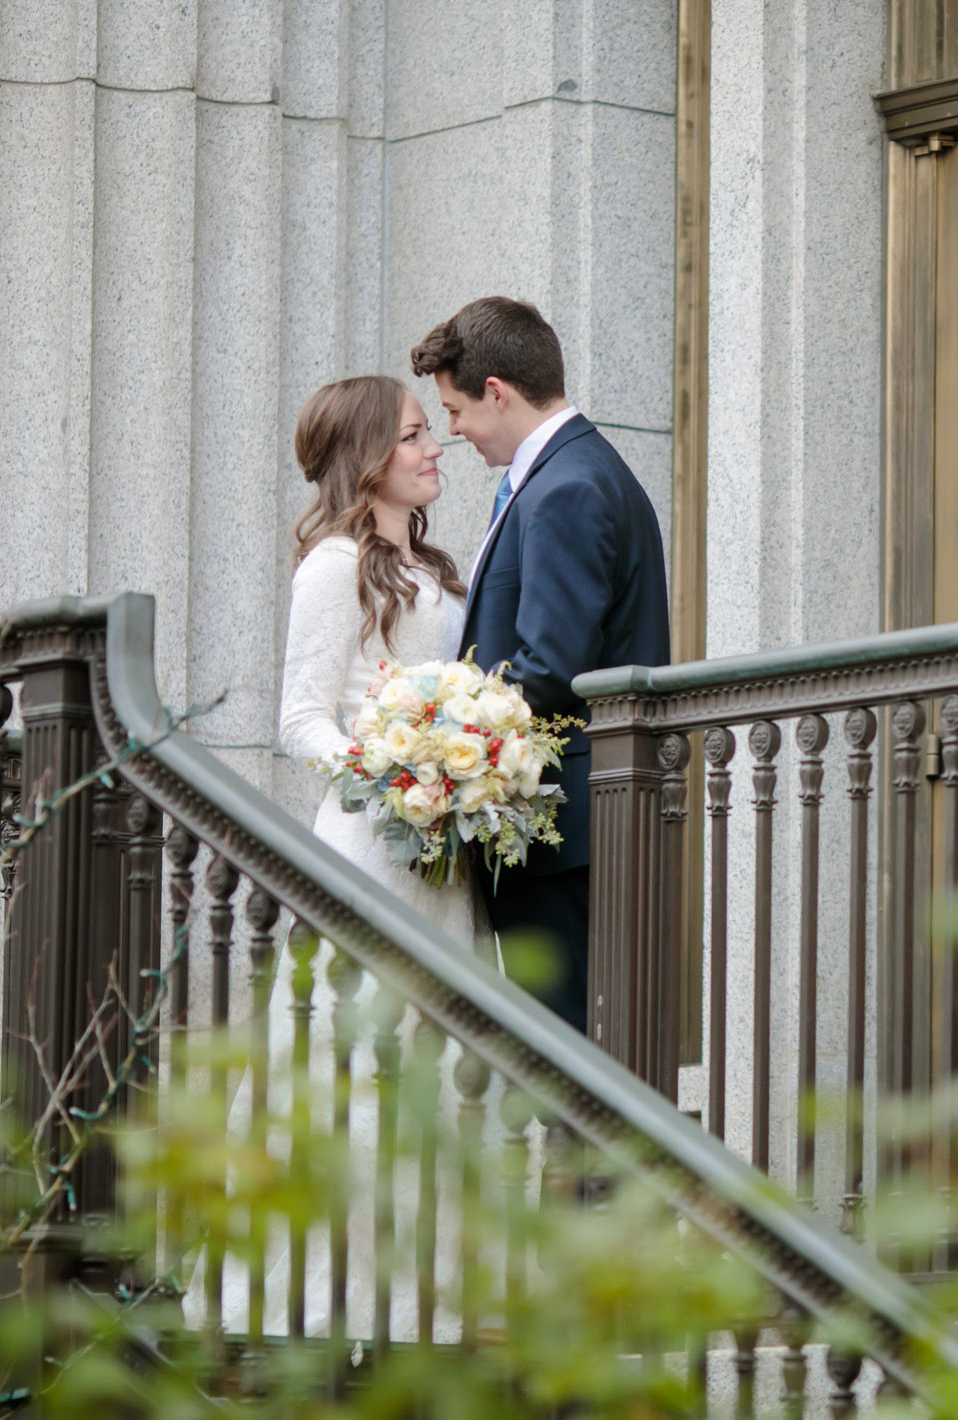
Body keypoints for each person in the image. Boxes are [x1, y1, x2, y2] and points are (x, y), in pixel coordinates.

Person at [409, 296, 669, 1031]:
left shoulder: (567, 487)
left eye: (456, 410)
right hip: (574, 826)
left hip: (567, 830)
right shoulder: (568, 471)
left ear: (498, 392)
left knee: (563, 1048)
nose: (452, 430)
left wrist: (441, 739)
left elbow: (550, 667)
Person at [278, 374, 476, 946]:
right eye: (413, 436)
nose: (435, 449)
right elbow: (301, 719)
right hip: (373, 837)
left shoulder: (434, 570)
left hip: (443, 838)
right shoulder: (335, 564)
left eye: (428, 432)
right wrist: (397, 776)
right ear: (366, 454)